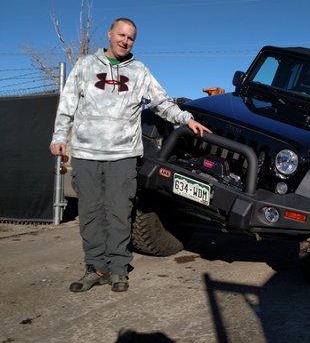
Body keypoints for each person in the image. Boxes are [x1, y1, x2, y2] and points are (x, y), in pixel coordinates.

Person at [50, 17, 211, 293]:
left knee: (119, 212)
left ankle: (118, 269)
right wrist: (59, 137)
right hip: (87, 152)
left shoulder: (139, 71)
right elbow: (67, 103)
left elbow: (161, 102)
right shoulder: (86, 66)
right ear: (110, 34)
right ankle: (95, 267)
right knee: (90, 213)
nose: (125, 41)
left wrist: (186, 119)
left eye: (131, 37)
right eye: (121, 35)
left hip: (123, 155)